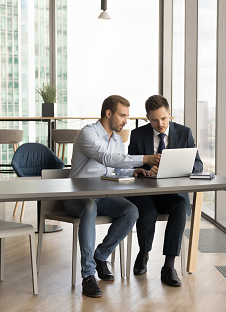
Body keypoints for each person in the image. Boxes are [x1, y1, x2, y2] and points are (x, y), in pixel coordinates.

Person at [65, 95, 161, 298]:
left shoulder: (117, 140)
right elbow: (106, 157)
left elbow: (115, 169)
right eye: (122, 115)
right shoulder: (87, 134)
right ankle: (88, 275)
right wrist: (144, 159)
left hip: (102, 195)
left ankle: (101, 255)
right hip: (77, 197)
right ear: (109, 113)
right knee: (89, 206)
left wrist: (135, 171)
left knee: (131, 211)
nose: (126, 120)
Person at [127, 94, 203, 287]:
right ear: (147, 117)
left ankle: (169, 266)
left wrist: (183, 167)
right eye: (154, 120)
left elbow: (198, 164)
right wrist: (142, 170)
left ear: (170, 114)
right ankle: (143, 253)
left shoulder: (185, 133)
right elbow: (128, 166)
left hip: (172, 192)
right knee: (148, 212)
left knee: (180, 204)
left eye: (163, 118)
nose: (160, 124)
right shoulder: (137, 135)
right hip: (145, 192)